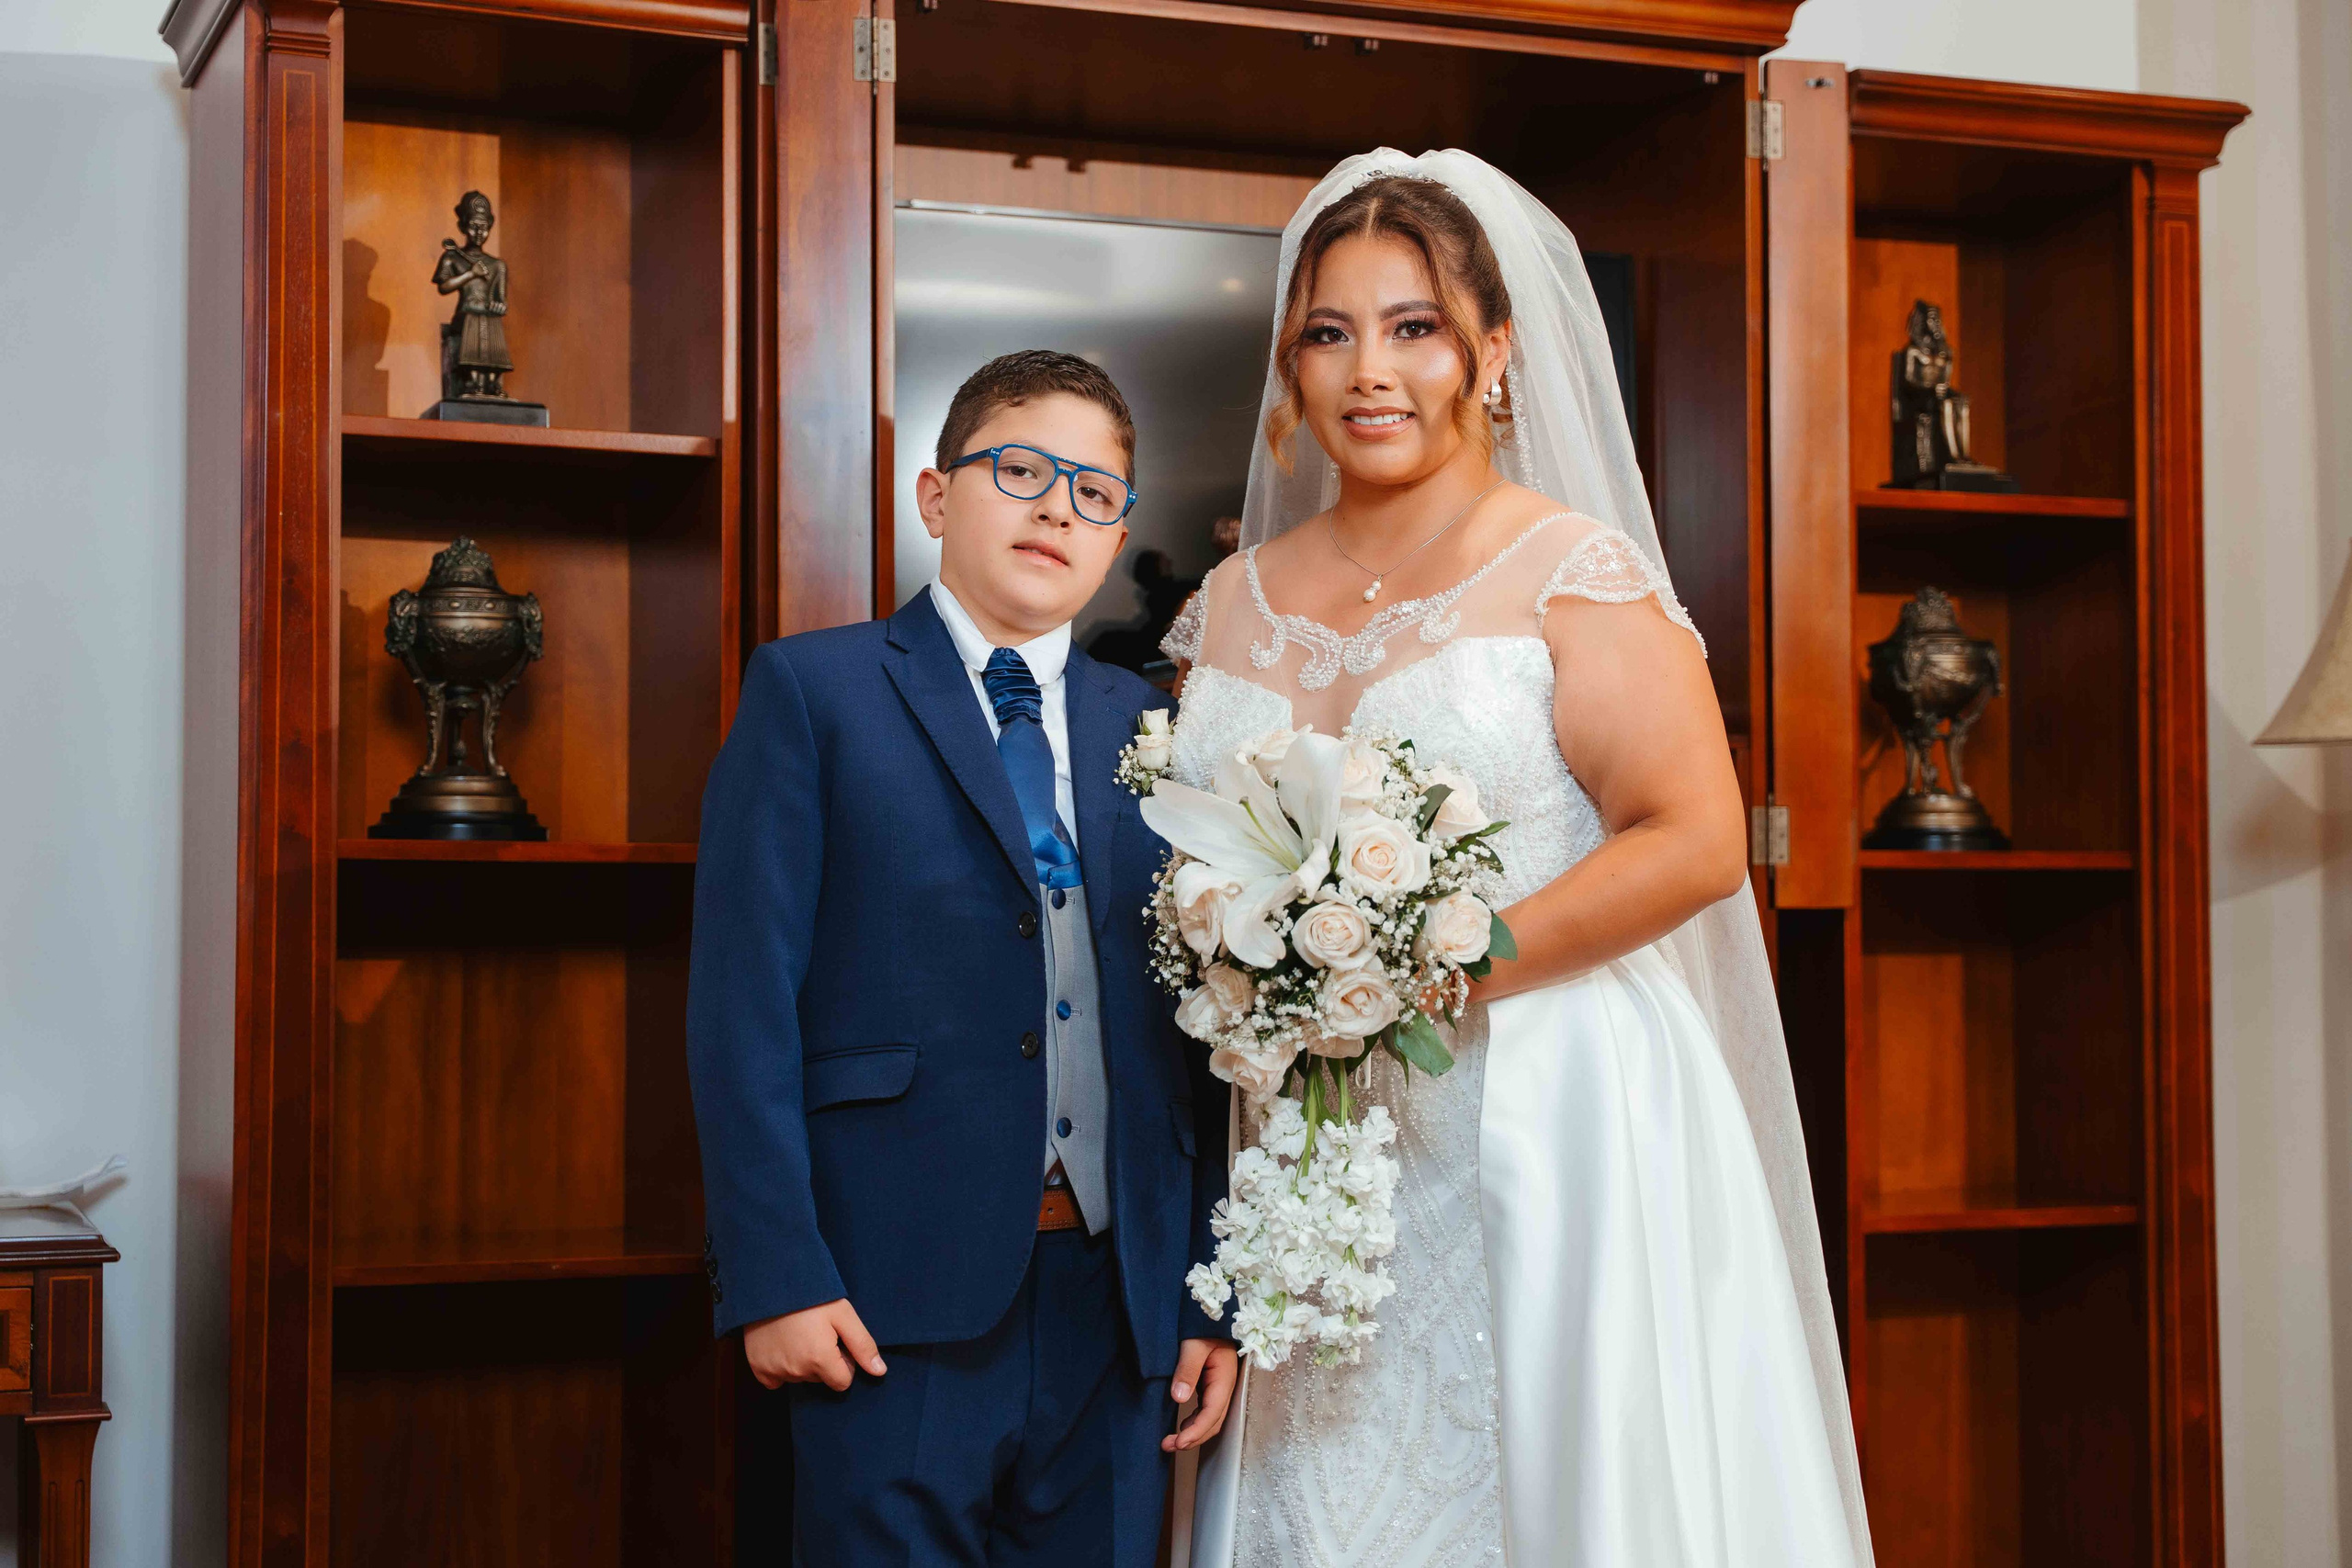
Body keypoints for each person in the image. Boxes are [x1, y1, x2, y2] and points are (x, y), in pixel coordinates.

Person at [1164, 154, 1874, 1568]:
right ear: (1291, 368)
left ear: (1494, 352)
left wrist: (1436, 962)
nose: (1372, 371)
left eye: (1415, 326)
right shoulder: (1233, 599)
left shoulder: (1567, 565)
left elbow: (1696, 839)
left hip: (1548, 1114)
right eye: (1330, 331)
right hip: (1314, 1138)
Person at [688, 349, 1238, 1566]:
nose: (1058, 508)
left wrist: (1209, 1286)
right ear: (937, 497)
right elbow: (743, 1009)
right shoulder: (815, 693)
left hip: (1116, 1301)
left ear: (1115, 538)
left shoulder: (1153, 730)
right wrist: (775, 1274)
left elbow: (1203, 1034)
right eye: (1023, 470)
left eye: (1096, 493)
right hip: (885, 1290)